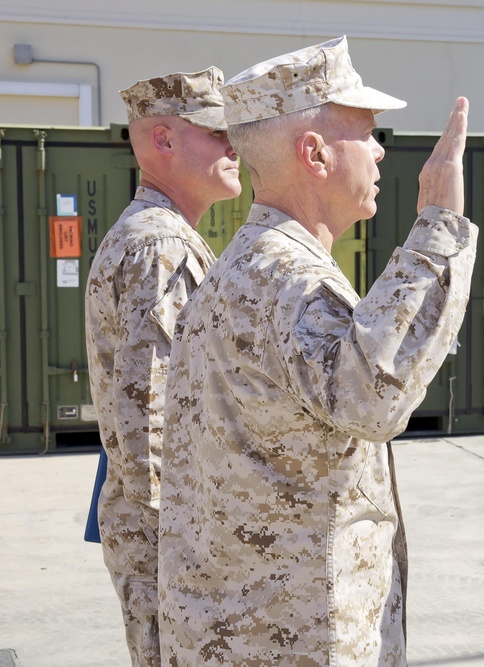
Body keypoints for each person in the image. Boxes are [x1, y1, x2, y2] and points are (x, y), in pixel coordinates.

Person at [157, 37, 477, 665]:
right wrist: (439, 225)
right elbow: (371, 398)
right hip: (293, 637)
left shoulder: (243, 267)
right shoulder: (290, 280)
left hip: (238, 631)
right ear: (315, 153)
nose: (381, 151)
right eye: (366, 131)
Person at [84, 66, 240, 666]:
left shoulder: (159, 236)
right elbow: (150, 418)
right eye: (218, 132)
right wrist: (185, 549)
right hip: (170, 539)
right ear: (164, 141)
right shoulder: (161, 247)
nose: (235, 147)